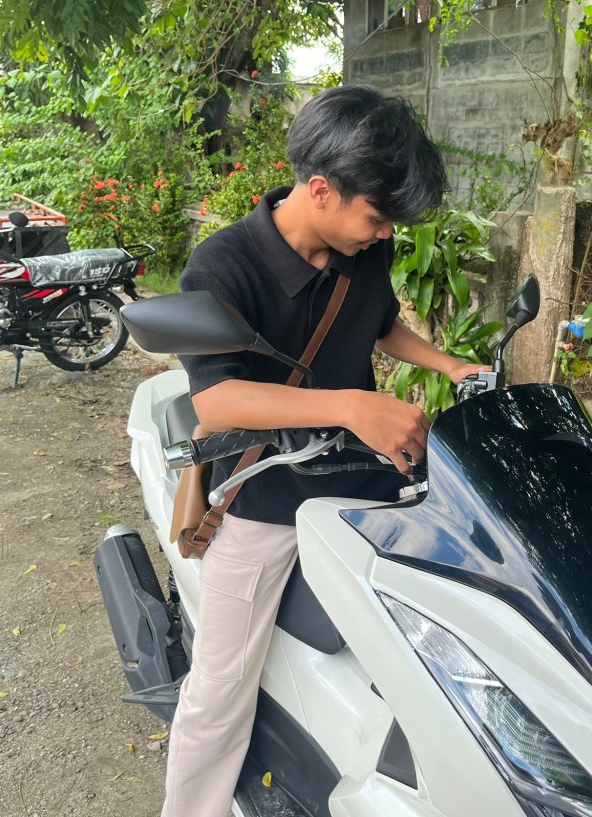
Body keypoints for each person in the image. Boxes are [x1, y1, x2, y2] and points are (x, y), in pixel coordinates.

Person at [163, 84, 483, 817]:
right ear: (320, 190)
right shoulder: (222, 265)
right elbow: (217, 400)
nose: (383, 234)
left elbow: (378, 323)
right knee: (219, 688)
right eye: (376, 218)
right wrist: (349, 405)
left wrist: (447, 364)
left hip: (364, 482)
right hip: (266, 494)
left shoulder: (365, 248)